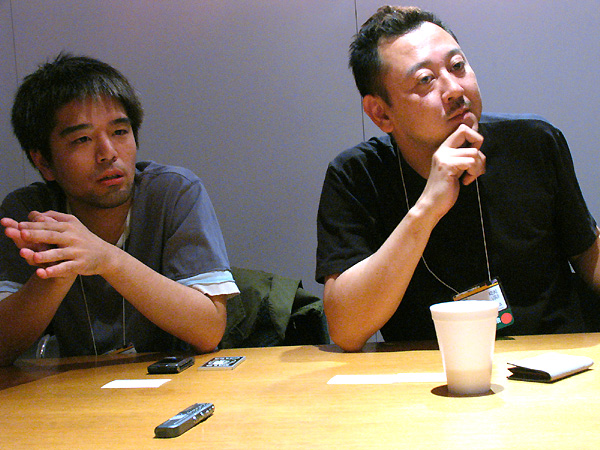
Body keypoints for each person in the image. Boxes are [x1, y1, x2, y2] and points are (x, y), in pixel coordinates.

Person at [316, 6, 600, 351]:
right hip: (430, 371)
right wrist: (427, 208)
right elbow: (346, 329)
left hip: (553, 358)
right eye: (425, 80)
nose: (454, 88)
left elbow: (590, 256)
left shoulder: (534, 142)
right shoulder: (356, 176)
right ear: (381, 113)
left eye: (457, 66)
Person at [0, 54, 239, 365]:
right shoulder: (29, 213)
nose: (108, 153)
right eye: (82, 139)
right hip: (73, 387)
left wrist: (108, 259)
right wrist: (57, 272)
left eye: (120, 132)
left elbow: (208, 331)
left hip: (173, 380)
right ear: (44, 162)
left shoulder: (172, 192)